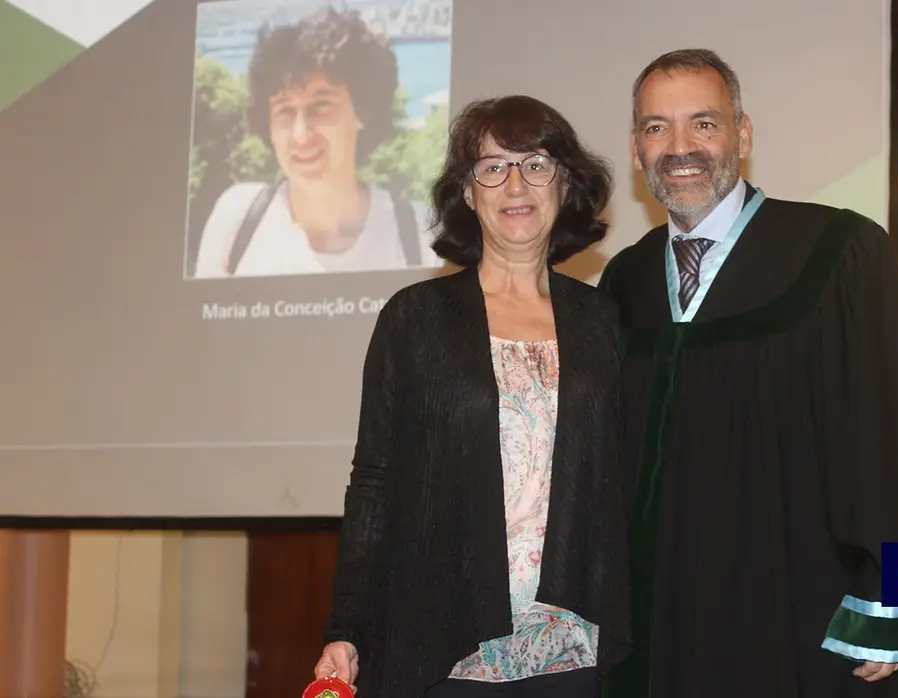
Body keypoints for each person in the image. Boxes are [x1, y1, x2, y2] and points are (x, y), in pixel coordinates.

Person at [596, 49, 898, 698]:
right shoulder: (623, 283)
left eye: (704, 123)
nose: (680, 147)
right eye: (657, 128)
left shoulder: (838, 252)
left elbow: (892, 430)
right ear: (636, 150)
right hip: (660, 619)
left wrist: (892, 597)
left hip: (798, 608)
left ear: (742, 137)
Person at [314, 95, 631, 698]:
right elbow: (374, 482)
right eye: (493, 167)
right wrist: (347, 627)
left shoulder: (602, 323)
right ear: (467, 191)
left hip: (568, 646)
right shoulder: (416, 319)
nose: (516, 183)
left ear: (564, 182)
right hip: (444, 642)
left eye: (536, 164)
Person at [193, 7, 434, 279]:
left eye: (320, 106)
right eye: (284, 110)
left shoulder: (420, 236)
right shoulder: (236, 220)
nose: (301, 134)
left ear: (362, 112)